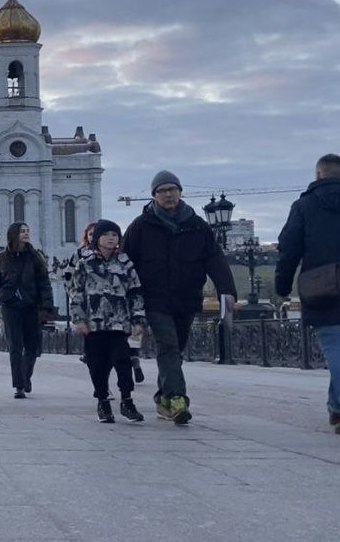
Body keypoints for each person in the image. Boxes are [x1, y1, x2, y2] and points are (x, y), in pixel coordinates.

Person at [122, 170, 236, 424]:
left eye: (173, 189)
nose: (169, 194)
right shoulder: (141, 227)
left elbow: (215, 259)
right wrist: (127, 299)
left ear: (180, 192)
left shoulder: (197, 226)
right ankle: (177, 399)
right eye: (162, 190)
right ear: (154, 196)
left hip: (187, 298)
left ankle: (163, 398)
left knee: (176, 347)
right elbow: (125, 263)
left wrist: (226, 291)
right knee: (169, 344)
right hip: (154, 299)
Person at [274, 154, 340, 433]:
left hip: (323, 287)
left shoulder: (305, 205)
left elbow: (289, 249)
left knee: (334, 346)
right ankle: (338, 407)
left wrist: (282, 286)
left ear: (319, 174)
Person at [69, 219, 146, 423]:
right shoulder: (85, 262)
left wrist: (138, 319)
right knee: (97, 365)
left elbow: (135, 291)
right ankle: (103, 402)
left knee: (123, 361)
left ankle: (127, 401)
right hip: (94, 324)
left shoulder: (124, 262)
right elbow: (76, 292)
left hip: (119, 323)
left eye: (115, 235)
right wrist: (79, 319)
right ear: (97, 239)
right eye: (107, 235)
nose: (111, 238)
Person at [0, 222, 54, 399]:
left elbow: (44, 283)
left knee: (32, 346)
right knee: (15, 346)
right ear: (13, 234)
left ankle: (26, 376)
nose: (26, 234)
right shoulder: (2, 258)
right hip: (10, 307)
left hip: (31, 306)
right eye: (22, 231)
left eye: (27, 231)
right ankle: (19, 385)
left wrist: (46, 307)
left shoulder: (35, 257)